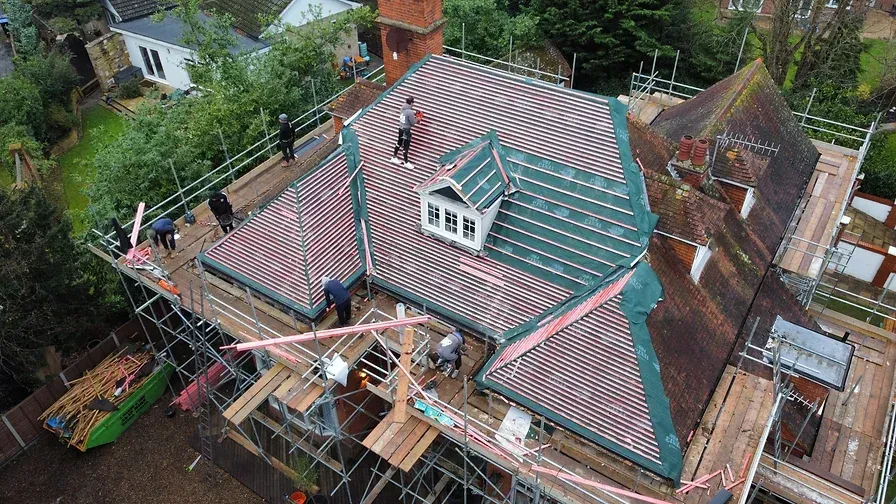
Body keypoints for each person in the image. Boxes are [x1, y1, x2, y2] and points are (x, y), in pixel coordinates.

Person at [390, 97, 419, 169]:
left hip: (400, 129)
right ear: (412, 103)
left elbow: (407, 113)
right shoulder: (410, 112)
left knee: (399, 143)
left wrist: (415, 112)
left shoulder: (403, 108)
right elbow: (412, 123)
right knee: (406, 146)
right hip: (406, 131)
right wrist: (418, 119)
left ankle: (394, 157)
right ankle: (406, 162)